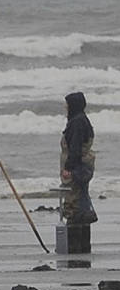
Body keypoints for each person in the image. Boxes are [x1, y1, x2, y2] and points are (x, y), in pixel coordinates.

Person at [61, 92, 97, 225]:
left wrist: (68, 168)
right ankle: (81, 240)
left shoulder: (77, 123)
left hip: (77, 168)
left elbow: (75, 148)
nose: (66, 107)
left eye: (68, 104)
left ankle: (75, 241)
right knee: (81, 197)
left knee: (74, 202)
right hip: (83, 167)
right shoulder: (82, 119)